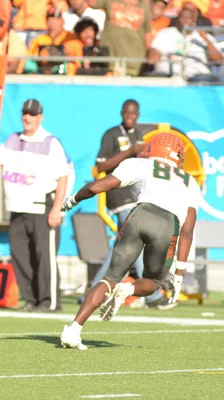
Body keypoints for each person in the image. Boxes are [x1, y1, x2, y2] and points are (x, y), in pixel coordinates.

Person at [60, 133, 200, 350]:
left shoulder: (140, 164)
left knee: (109, 278)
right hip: (167, 225)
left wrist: (73, 199)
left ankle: (74, 329)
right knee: (154, 282)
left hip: (139, 215)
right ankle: (130, 290)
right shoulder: (190, 182)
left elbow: (97, 187)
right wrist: (179, 272)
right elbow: (188, 232)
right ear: (178, 156)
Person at [92, 99, 173, 309]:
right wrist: (129, 151)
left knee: (119, 249)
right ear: (121, 113)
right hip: (120, 197)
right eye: (127, 113)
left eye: (134, 113)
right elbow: (101, 165)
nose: (130, 116)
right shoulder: (111, 134)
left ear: (138, 114)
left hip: (136, 195)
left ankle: (92, 292)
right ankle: (153, 296)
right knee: (137, 244)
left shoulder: (138, 134)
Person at [0, 99, 70, 313]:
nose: (27, 117)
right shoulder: (13, 140)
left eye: (32, 114)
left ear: (40, 117)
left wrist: (57, 209)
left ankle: (49, 302)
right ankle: (30, 299)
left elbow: (63, 177)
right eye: (25, 113)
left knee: (44, 257)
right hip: (17, 207)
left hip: (42, 207)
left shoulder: (49, 142)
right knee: (20, 255)